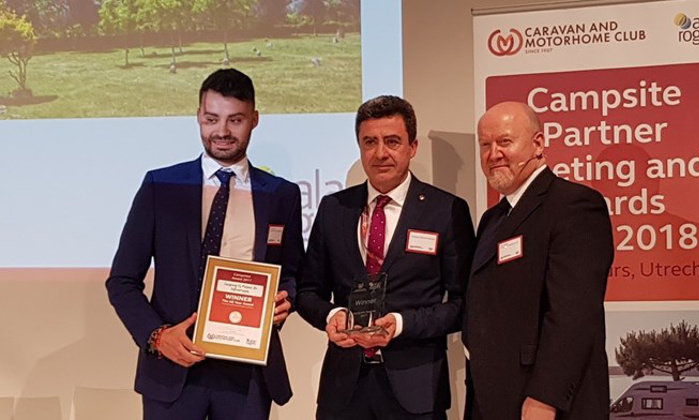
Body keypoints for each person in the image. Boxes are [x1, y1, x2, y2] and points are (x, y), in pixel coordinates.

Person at [105, 68, 303, 420]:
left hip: (248, 374)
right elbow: (122, 281)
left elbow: (290, 274)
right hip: (173, 370)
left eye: (235, 120)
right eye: (212, 119)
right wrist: (156, 336)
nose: (222, 132)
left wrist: (284, 301)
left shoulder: (281, 195)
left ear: (254, 120)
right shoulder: (160, 186)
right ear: (198, 116)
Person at [296, 95, 475, 419]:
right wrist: (331, 315)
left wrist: (403, 324)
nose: (380, 153)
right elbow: (308, 292)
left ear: (413, 146)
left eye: (392, 141)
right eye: (370, 142)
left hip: (416, 389)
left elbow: (464, 304)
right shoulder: (333, 209)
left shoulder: (445, 210)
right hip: (343, 389)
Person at [463, 102, 614, 420]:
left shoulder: (574, 206)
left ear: (538, 144)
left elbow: (573, 315)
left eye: (505, 141)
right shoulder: (492, 219)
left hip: (545, 406)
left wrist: (544, 398)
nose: (493, 154)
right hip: (492, 400)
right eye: (485, 145)